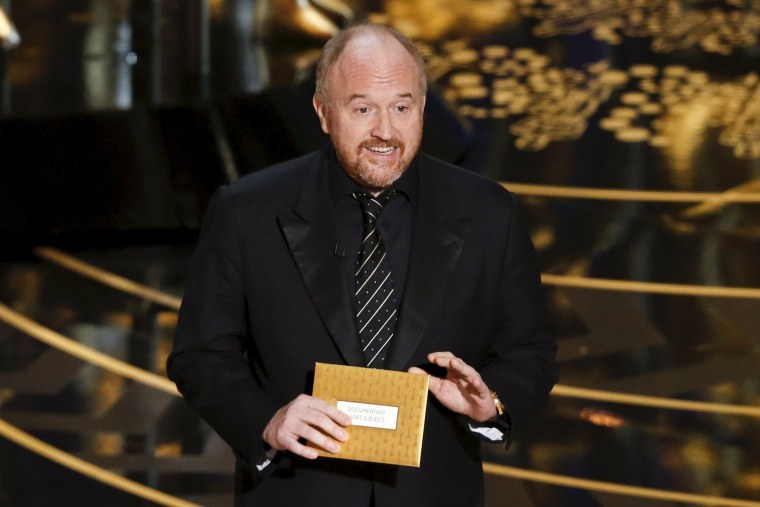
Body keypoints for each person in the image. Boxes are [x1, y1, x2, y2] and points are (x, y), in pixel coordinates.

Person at [167, 23, 557, 507]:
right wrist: (266, 420)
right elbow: (200, 355)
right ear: (324, 112)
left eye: (401, 106)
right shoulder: (247, 210)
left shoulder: (489, 211)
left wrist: (490, 402)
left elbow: (531, 351)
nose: (385, 132)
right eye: (362, 108)